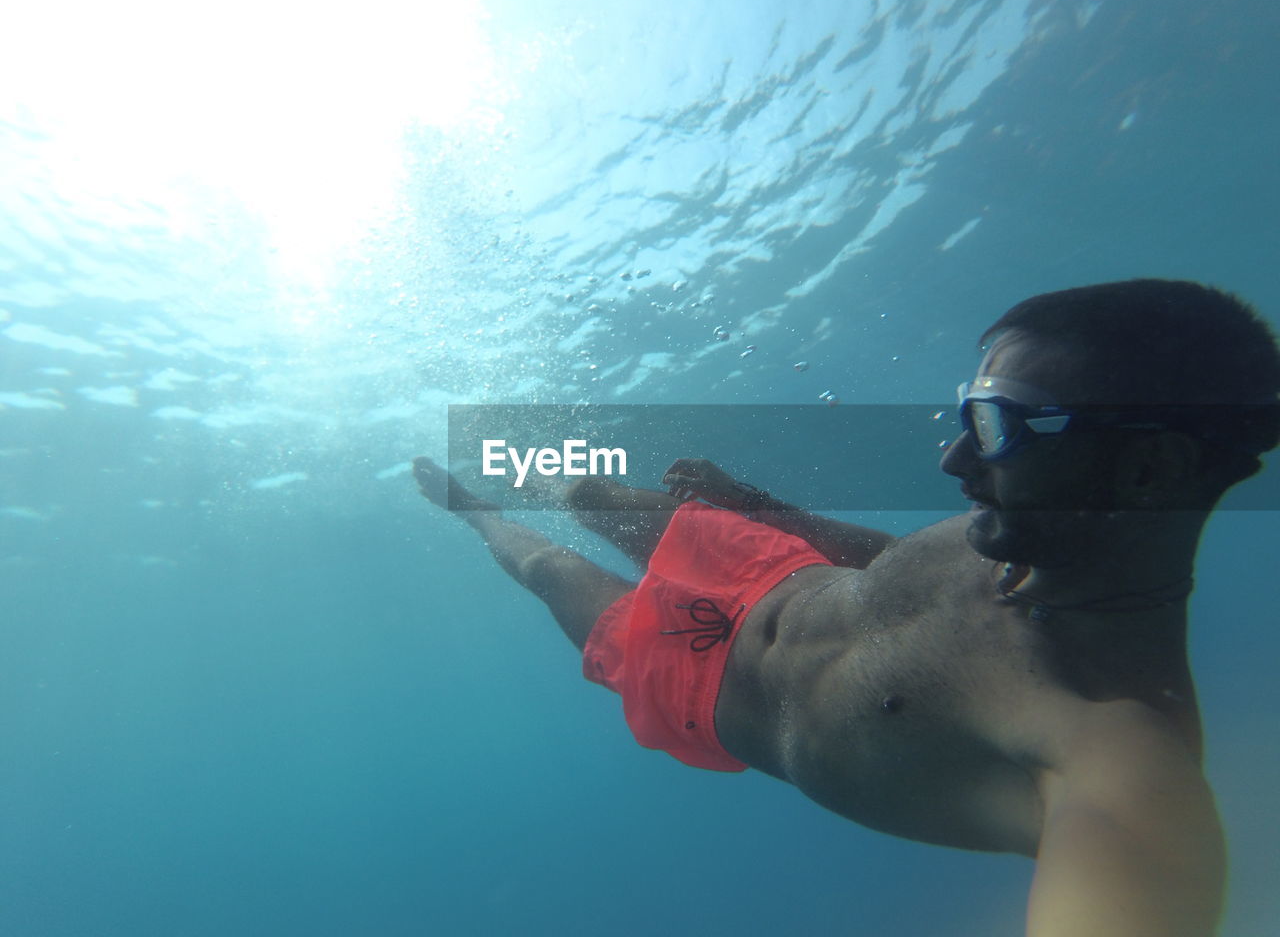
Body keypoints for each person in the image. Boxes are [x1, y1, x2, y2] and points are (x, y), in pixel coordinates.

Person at [413, 279, 1280, 937]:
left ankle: (474, 508)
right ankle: (522, 463)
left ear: (1150, 471)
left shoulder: (1119, 756)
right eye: (965, 417)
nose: (952, 460)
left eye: (997, 426)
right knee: (589, 492)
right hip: (771, 566)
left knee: (552, 570)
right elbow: (899, 563)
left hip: (699, 681)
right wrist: (759, 505)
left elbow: (1133, 875)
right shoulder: (1009, 530)